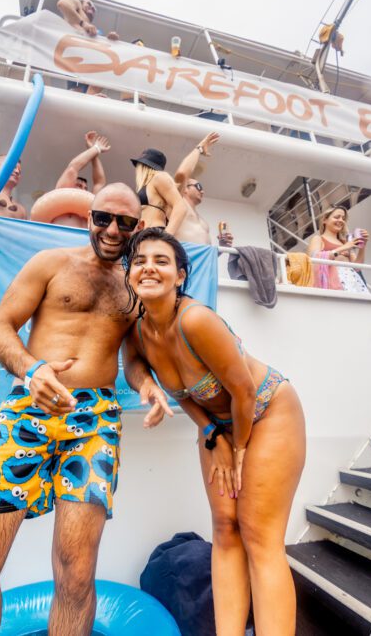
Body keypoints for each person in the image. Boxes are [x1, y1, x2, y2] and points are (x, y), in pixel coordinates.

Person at [0, 184, 171, 636]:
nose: (112, 230)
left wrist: (147, 385)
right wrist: (32, 370)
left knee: (76, 573)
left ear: (138, 228)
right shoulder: (50, 263)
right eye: (104, 218)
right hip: (30, 407)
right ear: (90, 215)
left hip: (96, 419)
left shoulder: (134, 289)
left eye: (125, 223)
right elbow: (0, 329)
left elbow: (135, 357)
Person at [122, 227, 306, 635]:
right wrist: (152, 389)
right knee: (224, 529)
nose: (149, 267)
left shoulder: (197, 321)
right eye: (139, 261)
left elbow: (242, 390)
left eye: (161, 261)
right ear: (130, 274)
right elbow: (134, 364)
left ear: (181, 276)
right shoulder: (139, 331)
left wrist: (237, 448)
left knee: (258, 535)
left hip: (266, 409)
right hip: (218, 425)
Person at [57, 0, 118, 95]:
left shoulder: (96, 32)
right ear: (81, 5)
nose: (92, 7)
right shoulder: (75, 12)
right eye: (89, 3)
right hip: (75, 66)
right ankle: (79, 95)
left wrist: (111, 40)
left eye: (94, 8)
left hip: (91, 78)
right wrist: (83, 23)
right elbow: (62, 3)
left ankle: (90, 94)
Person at [307, 205, 370, 293]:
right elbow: (313, 259)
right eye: (337, 217)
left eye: (343, 218)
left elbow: (357, 267)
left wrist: (362, 246)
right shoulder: (318, 239)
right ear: (325, 220)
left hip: (352, 282)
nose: (341, 220)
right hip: (332, 283)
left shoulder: (345, 242)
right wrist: (343, 248)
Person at [173, 132, 221, 245]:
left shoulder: (204, 222)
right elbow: (182, 173)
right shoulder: (179, 204)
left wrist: (223, 245)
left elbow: (207, 253)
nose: (202, 191)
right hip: (185, 260)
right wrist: (199, 148)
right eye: (199, 187)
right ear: (185, 189)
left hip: (205, 262)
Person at [131, 148, 189, 235]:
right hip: (140, 234)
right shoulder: (148, 183)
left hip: (153, 234)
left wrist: (166, 237)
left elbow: (181, 207)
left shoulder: (159, 177)